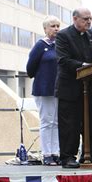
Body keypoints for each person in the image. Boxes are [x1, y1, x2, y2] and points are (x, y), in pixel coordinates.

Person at [54, 7, 92, 168]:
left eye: (90, 19)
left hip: (90, 88)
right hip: (70, 87)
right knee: (70, 125)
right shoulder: (63, 35)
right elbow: (63, 60)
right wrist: (84, 66)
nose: (88, 22)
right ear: (75, 19)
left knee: (91, 123)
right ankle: (67, 157)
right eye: (85, 19)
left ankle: (89, 154)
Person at [26, 15, 60, 166]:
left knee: (57, 122)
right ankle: (46, 153)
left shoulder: (60, 45)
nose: (56, 29)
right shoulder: (41, 45)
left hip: (59, 89)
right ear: (45, 29)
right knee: (47, 121)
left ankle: (56, 152)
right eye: (52, 26)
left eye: (58, 26)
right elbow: (30, 67)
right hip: (44, 88)